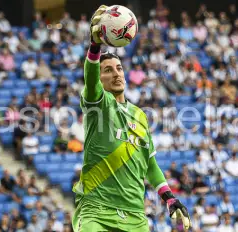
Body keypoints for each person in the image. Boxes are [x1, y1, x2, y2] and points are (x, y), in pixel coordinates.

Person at [72, 5, 190, 232]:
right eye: (108, 70)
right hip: (96, 211)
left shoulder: (140, 116)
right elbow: (90, 77)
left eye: (118, 68)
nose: (116, 73)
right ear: (100, 78)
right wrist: (95, 45)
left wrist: (169, 198)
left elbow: (150, 164)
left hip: (135, 216)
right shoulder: (99, 103)